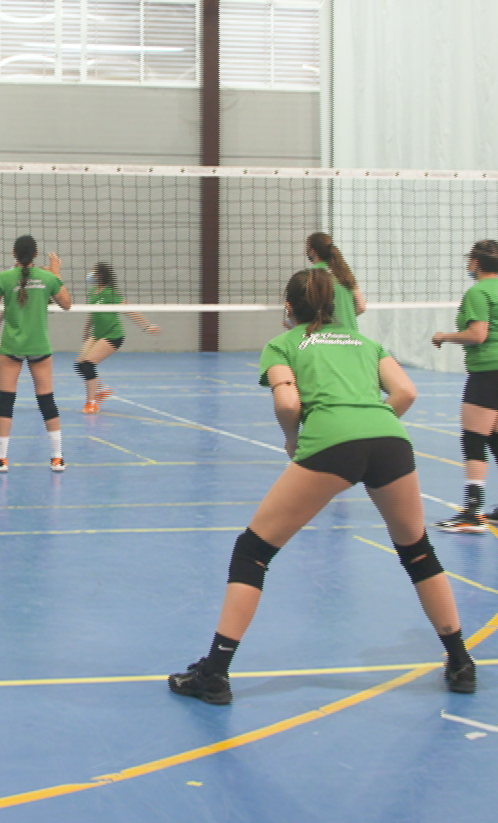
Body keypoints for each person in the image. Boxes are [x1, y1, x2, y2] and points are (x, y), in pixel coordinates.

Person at [168, 268, 476, 706]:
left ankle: (214, 673)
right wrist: (371, 424)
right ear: (335, 306)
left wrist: (294, 439)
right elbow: (406, 392)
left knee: (253, 551)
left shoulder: (284, 345)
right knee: (417, 550)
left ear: (289, 307)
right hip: (390, 440)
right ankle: (461, 662)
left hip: (330, 443)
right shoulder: (366, 343)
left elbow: (288, 401)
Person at [432, 239, 498, 531]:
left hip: (491, 372)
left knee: (474, 438)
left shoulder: (478, 292)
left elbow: (478, 335)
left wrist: (443, 336)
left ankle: (473, 512)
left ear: (475, 263)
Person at [0, 236, 71, 472]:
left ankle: (1, 459)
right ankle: (57, 458)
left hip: (11, 348)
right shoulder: (48, 278)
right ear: (36, 254)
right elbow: (67, 304)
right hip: (39, 346)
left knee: (6, 401)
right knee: (46, 400)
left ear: (14, 253)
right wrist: (56, 273)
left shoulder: (4, 278)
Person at [74, 261, 159, 414]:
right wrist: (86, 328)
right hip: (97, 334)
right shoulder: (93, 291)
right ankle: (102, 389)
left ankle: (91, 403)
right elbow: (93, 312)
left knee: (87, 365)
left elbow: (129, 310)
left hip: (113, 335)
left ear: (100, 275)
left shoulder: (110, 293)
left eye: (93, 272)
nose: (90, 275)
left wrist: (147, 326)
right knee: (80, 365)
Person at [304, 232, 366, 335]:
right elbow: (362, 306)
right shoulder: (344, 272)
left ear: (312, 251)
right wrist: (345, 318)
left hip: (329, 336)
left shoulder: (311, 274)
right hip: (352, 335)